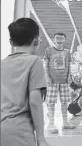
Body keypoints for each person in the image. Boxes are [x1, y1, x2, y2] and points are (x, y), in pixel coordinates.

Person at [1, 18, 50, 146]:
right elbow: (35, 102)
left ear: (11, 42)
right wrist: (40, 138)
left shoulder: (2, 64)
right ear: (36, 41)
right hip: (20, 131)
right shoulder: (35, 62)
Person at [44, 33, 75, 134]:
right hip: (52, 80)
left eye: (61, 38)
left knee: (64, 102)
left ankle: (65, 122)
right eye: (57, 38)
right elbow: (46, 64)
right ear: (53, 39)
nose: (59, 40)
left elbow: (68, 64)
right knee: (51, 102)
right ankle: (51, 123)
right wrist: (47, 77)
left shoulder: (67, 52)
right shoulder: (49, 50)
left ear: (65, 40)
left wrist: (69, 76)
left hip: (64, 80)